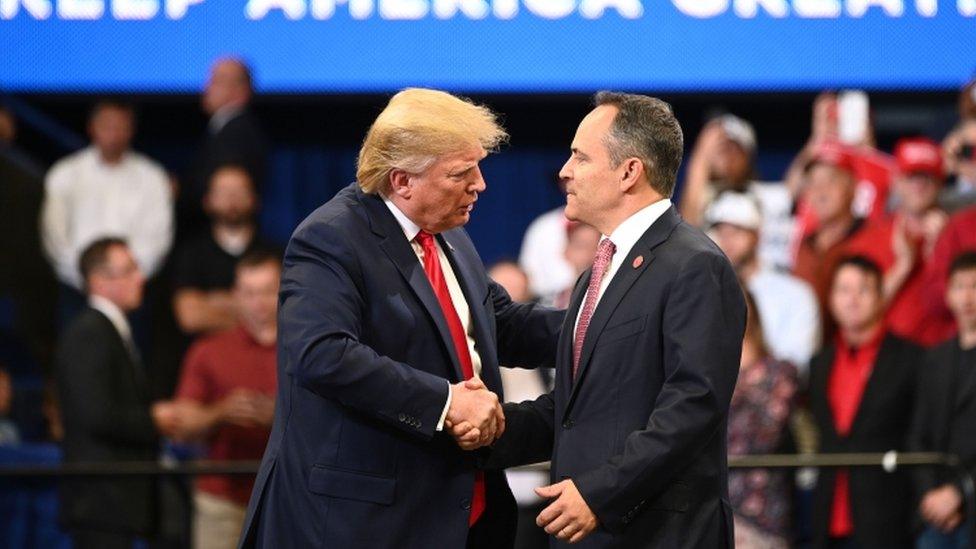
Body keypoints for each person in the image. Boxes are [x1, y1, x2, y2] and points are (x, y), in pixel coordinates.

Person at [238, 88, 563, 549]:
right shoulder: (330, 237)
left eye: (478, 167)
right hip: (361, 524)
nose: (480, 184)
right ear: (402, 181)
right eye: (460, 172)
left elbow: (501, 324)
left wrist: (600, 325)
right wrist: (447, 403)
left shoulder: (448, 234)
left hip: (455, 512)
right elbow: (322, 353)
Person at [481, 92, 746, 547]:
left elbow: (692, 408)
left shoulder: (695, 265)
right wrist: (485, 435)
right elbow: (578, 410)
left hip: (657, 534)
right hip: (590, 530)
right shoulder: (600, 272)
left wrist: (600, 495)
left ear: (629, 172)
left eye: (581, 157)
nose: (565, 171)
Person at [153, 250, 280, 549]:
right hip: (220, 498)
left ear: (284, 289)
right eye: (248, 293)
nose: (257, 303)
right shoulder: (208, 351)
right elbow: (181, 425)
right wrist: (221, 412)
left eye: (266, 292)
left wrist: (280, 416)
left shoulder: (304, 346)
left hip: (286, 493)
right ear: (235, 296)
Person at [55, 238, 162, 549]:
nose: (140, 278)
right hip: (102, 501)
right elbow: (96, 415)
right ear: (99, 280)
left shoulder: (109, 329)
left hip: (114, 503)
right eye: (129, 270)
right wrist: (154, 420)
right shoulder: (90, 331)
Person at [807, 256, 919, 548]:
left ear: (882, 296)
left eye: (863, 290)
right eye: (843, 290)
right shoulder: (819, 364)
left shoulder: (913, 360)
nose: (852, 300)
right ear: (831, 299)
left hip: (889, 519)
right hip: (827, 517)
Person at [40, 101, 173, 295]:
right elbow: (55, 239)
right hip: (77, 288)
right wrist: (92, 280)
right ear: (92, 128)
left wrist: (124, 280)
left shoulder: (152, 176)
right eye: (107, 126)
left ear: (132, 130)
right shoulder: (64, 173)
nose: (114, 134)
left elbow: (157, 240)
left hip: (134, 290)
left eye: (121, 127)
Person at [843, 137, 949, 346]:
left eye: (927, 176)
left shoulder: (962, 235)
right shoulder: (868, 239)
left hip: (944, 354)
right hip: (887, 358)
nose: (919, 185)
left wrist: (943, 252)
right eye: (911, 176)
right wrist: (903, 267)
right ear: (895, 181)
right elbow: (856, 314)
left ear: (940, 183)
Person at [706, 191, 820, 373]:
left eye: (737, 230)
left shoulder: (796, 294)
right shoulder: (704, 292)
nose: (728, 240)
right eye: (721, 231)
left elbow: (797, 366)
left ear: (757, 234)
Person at [909, 251, 976, 549]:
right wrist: (931, 494)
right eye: (959, 286)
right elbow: (917, 435)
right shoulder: (934, 358)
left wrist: (960, 492)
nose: (967, 297)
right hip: (934, 514)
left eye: (975, 286)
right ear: (948, 294)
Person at [679, 113, 797, 269]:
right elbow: (687, 229)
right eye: (719, 150)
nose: (726, 156)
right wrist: (701, 156)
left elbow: (801, 182)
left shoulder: (767, 195)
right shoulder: (702, 200)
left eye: (732, 148)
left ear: (747, 156)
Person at [728, 292, 798, 549]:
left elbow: (765, 435)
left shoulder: (779, 372)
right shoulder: (701, 373)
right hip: (709, 510)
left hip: (761, 514)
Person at [172, 164, 271, 337]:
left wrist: (215, 301)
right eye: (223, 191)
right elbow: (190, 317)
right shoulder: (190, 254)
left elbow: (283, 314)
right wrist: (254, 312)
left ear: (255, 199)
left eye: (240, 190)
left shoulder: (274, 253)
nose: (232, 198)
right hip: (209, 358)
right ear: (207, 200)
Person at [182, 58, 268, 237]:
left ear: (240, 91)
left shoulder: (237, 131)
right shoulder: (224, 128)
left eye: (215, 81)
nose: (206, 89)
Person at [792, 141, 866, 338]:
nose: (820, 191)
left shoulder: (875, 238)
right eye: (813, 182)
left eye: (831, 180)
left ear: (853, 186)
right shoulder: (803, 244)